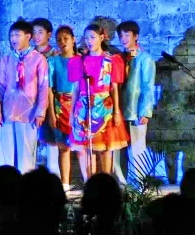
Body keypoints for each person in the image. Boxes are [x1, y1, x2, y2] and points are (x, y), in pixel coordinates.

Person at [68, 24, 129, 179]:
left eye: (93, 37)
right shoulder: (79, 61)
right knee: (84, 148)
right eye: (86, 37)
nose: (89, 41)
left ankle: (106, 180)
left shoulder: (111, 60)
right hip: (83, 107)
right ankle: (89, 181)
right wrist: (72, 112)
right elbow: (75, 89)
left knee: (105, 146)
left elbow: (114, 88)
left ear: (101, 38)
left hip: (104, 106)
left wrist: (116, 112)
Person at [0, 19, 48, 174]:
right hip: (7, 111)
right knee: (6, 151)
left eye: (17, 35)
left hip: (29, 111)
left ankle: (26, 186)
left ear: (28, 36)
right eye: (11, 36)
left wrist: (41, 111)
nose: (13, 39)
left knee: (26, 153)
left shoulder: (39, 59)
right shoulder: (6, 59)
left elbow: (44, 87)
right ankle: (5, 186)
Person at [116, 20, 156, 185]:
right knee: (117, 148)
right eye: (121, 35)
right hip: (118, 110)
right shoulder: (120, 58)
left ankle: (138, 182)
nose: (123, 38)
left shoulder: (144, 59)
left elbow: (148, 87)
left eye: (127, 35)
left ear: (136, 36)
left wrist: (145, 112)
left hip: (136, 110)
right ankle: (119, 180)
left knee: (138, 147)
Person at [46, 26, 78, 189]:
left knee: (82, 147)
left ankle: (87, 182)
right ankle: (65, 183)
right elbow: (49, 89)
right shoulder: (53, 61)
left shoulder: (81, 60)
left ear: (74, 39)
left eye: (66, 38)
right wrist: (51, 112)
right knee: (63, 147)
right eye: (59, 39)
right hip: (60, 106)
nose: (62, 42)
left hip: (79, 106)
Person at [32, 18, 60, 177]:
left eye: (40, 32)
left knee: (50, 140)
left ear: (49, 34)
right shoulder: (29, 54)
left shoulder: (55, 54)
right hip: (30, 102)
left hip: (50, 101)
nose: (36, 36)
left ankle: (54, 176)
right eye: (34, 32)